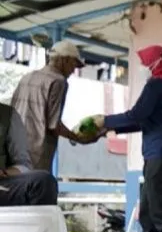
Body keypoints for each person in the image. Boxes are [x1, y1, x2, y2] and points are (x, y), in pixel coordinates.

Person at [92, 45, 162, 232]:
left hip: (161, 155)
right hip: (161, 155)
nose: (142, 67)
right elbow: (143, 121)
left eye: (144, 63)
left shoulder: (156, 85)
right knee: (147, 215)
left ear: (156, 63)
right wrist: (110, 129)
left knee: (160, 214)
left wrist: (105, 120)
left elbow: (136, 114)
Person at [11, 40, 98, 172]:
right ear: (65, 60)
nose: (73, 71)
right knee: (38, 190)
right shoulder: (58, 81)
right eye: (74, 66)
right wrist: (77, 138)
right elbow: (53, 125)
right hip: (36, 154)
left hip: (13, 149)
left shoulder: (27, 77)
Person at [0, 103, 58, 206]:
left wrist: (4, 172)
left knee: (43, 182)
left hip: (3, 185)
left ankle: (41, 222)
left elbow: (23, 165)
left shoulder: (7, 115)